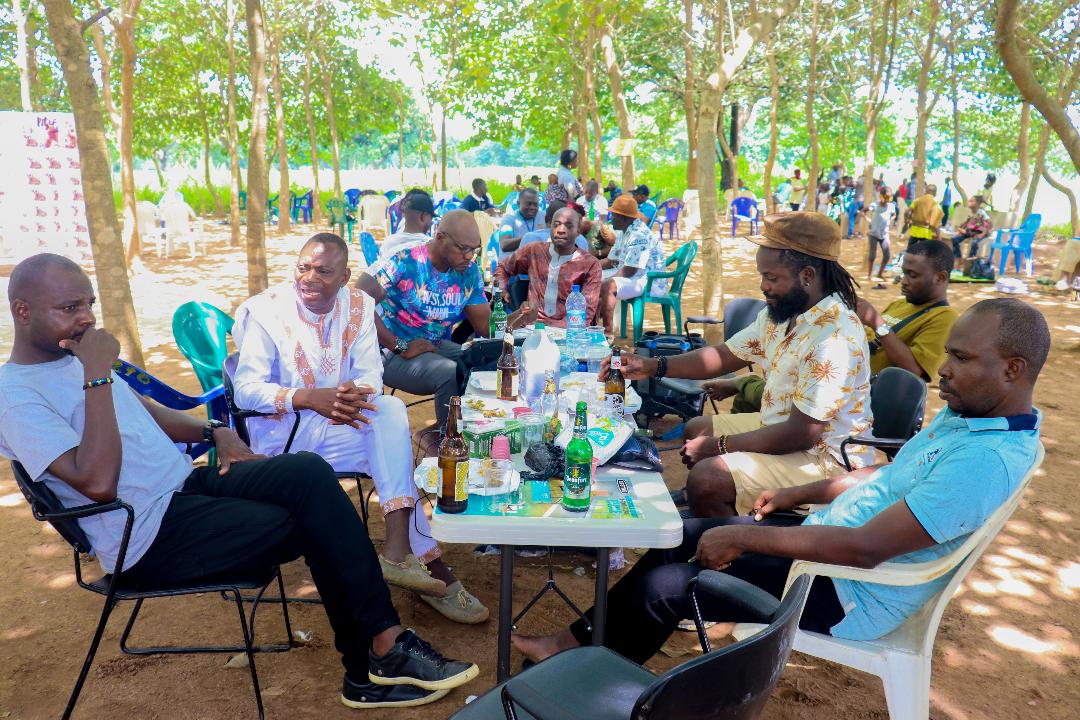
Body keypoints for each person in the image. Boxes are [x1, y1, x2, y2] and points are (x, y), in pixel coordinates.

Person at [0, 254, 482, 709]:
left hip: (183, 489)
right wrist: (97, 374)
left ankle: (382, 649)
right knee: (311, 519)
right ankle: (373, 662)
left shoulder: (73, 360)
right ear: (22, 311)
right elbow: (98, 483)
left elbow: (146, 412)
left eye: (88, 304)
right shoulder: (15, 395)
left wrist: (215, 431)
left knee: (307, 473)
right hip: (144, 535)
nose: (86, 318)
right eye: (70, 308)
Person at [513, 298, 1047, 666]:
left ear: (1013, 369)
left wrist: (745, 534)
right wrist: (801, 494)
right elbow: (887, 476)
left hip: (847, 593)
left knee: (665, 587)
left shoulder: (986, 459)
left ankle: (597, 684)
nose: (944, 370)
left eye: (961, 358)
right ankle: (573, 645)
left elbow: (865, 550)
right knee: (676, 538)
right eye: (949, 353)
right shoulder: (969, 416)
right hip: (827, 547)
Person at [233, 234, 488, 623]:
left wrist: (353, 393)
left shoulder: (359, 306)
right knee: (393, 452)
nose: (309, 278)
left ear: (344, 276)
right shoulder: (266, 312)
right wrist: (307, 397)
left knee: (388, 413)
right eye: (303, 268)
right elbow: (245, 390)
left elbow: (371, 373)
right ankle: (428, 568)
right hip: (283, 434)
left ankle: (401, 554)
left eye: (323, 271)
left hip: (341, 422)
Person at [621, 213, 874, 518]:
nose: (763, 286)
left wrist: (719, 446)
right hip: (783, 427)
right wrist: (653, 366)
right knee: (697, 429)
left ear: (807, 275)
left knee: (707, 477)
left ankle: (735, 540)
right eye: (762, 275)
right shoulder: (783, 313)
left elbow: (803, 433)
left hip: (824, 458)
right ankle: (718, 510)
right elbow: (725, 356)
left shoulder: (834, 336)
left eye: (772, 278)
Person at [355, 210, 490, 430]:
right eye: (463, 248)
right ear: (440, 237)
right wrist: (399, 346)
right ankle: (448, 442)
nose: (469, 256)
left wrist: (517, 318)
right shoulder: (404, 259)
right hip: (387, 351)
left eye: (475, 250)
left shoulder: (469, 272)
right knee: (449, 373)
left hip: (432, 345)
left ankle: (471, 431)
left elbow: (485, 328)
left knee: (482, 360)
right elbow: (358, 301)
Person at [495, 207, 602, 327]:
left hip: (568, 330)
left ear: (578, 231)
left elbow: (586, 312)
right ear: (549, 227)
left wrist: (556, 331)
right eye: (556, 225)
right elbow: (503, 267)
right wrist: (501, 289)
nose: (561, 230)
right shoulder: (534, 251)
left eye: (568, 226)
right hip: (531, 327)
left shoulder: (590, 264)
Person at [596, 195, 668, 335]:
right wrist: (589, 268)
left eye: (614, 215)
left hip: (649, 282)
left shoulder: (638, 235)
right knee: (593, 279)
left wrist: (604, 282)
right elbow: (611, 261)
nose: (611, 218)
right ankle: (592, 325)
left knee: (608, 285)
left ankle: (607, 333)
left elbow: (629, 270)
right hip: (633, 276)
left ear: (623, 217)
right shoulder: (624, 231)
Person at [377, 189, 435, 263]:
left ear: (404, 215)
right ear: (423, 216)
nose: (431, 222)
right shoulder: (431, 245)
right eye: (431, 218)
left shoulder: (388, 243)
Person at [498, 188, 545, 255]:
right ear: (518, 203)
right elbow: (504, 245)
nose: (532, 207)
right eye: (528, 204)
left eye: (535, 204)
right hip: (513, 260)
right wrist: (529, 237)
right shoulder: (509, 218)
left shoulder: (544, 216)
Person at [866, 190, 896, 280]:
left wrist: (891, 219)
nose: (887, 200)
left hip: (884, 234)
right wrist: (869, 220)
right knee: (872, 255)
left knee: (887, 256)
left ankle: (879, 274)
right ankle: (869, 275)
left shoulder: (891, 206)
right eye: (885, 198)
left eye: (889, 198)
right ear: (881, 196)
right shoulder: (874, 205)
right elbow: (863, 211)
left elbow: (894, 215)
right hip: (873, 234)